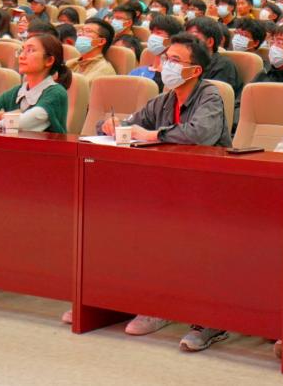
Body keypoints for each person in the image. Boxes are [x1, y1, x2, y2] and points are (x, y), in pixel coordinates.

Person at [82, 33, 230, 351]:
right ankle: (137, 300)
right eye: (166, 58)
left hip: (209, 188)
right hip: (166, 185)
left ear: (195, 70)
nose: (167, 65)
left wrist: (151, 135)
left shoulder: (210, 96)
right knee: (117, 218)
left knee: (182, 233)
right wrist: (112, 125)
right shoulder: (164, 99)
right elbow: (130, 123)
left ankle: (207, 319)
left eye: (176, 60)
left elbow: (200, 134)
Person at [0, 34, 70, 133]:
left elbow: (18, 124)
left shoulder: (56, 93)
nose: (21, 56)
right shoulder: (17, 91)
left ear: (49, 60)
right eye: (22, 50)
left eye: (30, 50)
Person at [129, 14, 182, 91]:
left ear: (172, 39)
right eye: (152, 32)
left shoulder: (174, 76)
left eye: (158, 33)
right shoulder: (137, 71)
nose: (152, 37)